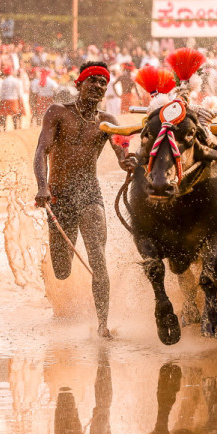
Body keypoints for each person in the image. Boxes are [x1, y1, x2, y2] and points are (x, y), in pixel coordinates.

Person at [33, 60, 135, 338]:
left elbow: (122, 153)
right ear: (79, 84)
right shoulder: (57, 113)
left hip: (89, 192)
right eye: (93, 80)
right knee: (62, 270)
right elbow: (41, 151)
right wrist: (42, 187)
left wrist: (129, 161)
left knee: (97, 259)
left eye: (103, 82)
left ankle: (102, 325)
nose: (99, 86)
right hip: (59, 195)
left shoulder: (108, 122)